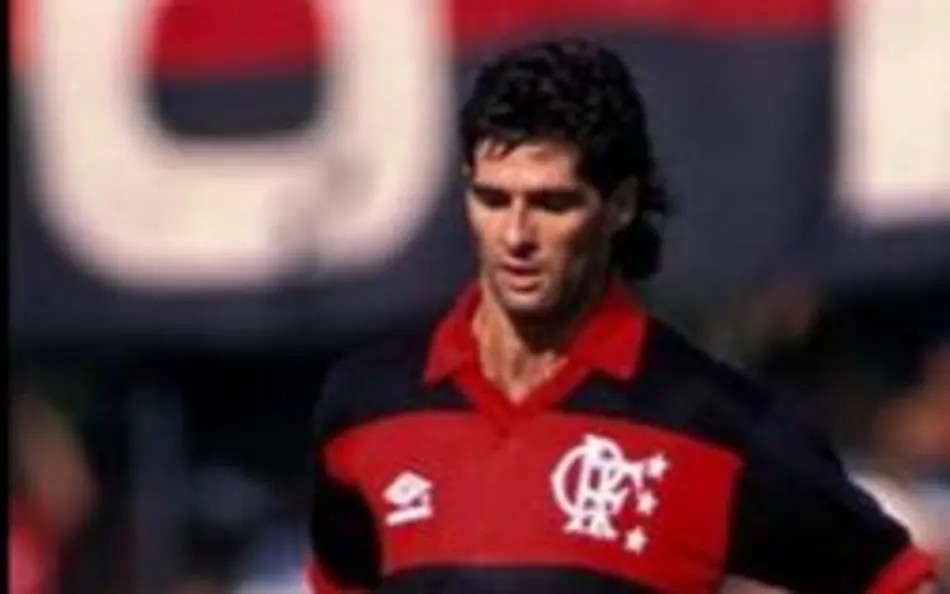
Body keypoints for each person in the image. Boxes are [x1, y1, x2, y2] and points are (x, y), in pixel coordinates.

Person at [306, 39, 939, 593]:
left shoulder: (713, 420)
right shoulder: (368, 405)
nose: (516, 235)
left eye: (553, 204)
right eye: (493, 199)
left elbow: (896, 582)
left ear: (620, 206)